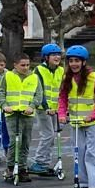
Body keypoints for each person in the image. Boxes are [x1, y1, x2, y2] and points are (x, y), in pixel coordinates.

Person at [59, 44, 95, 188]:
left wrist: (93, 116)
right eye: (71, 61)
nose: (73, 64)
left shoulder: (93, 77)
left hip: (92, 123)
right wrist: (61, 114)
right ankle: (85, 185)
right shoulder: (66, 78)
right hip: (75, 122)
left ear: (84, 62)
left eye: (77, 61)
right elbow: (63, 98)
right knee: (79, 154)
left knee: (92, 155)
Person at [2, 51, 40, 183]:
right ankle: (11, 167)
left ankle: (23, 168)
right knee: (14, 141)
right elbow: (1, 93)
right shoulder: (8, 76)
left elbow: (38, 95)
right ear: (15, 65)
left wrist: (32, 106)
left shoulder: (34, 77)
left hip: (27, 114)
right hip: (12, 114)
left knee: (25, 141)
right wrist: (4, 105)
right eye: (22, 65)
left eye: (28, 65)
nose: (25, 68)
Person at [30, 42, 64, 176]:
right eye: (53, 55)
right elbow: (40, 91)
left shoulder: (61, 70)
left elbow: (62, 90)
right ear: (46, 57)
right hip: (42, 108)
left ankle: (44, 163)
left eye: (58, 55)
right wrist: (46, 107)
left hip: (55, 108)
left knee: (52, 136)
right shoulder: (39, 70)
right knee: (48, 135)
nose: (57, 57)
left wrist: (62, 108)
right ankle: (39, 162)